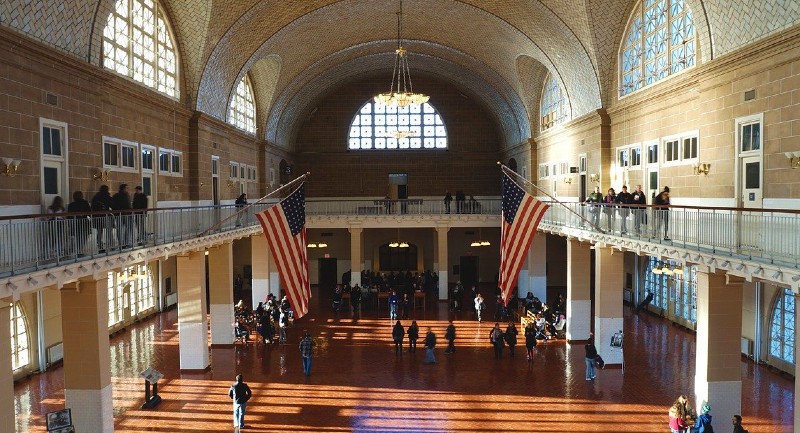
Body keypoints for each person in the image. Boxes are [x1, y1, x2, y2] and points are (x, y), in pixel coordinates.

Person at [67, 191, 92, 257]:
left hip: (75, 223)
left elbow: (69, 216)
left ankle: (78, 250)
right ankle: (79, 250)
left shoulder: (71, 205)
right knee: (83, 237)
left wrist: (69, 224)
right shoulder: (85, 203)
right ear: (81, 196)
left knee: (77, 237)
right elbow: (89, 212)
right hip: (84, 223)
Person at [91, 185, 113, 253]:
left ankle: (100, 246)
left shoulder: (96, 197)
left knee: (99, 232)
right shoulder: (107, 196)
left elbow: (92, 207)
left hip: (97, 216)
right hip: (105, 216)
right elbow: (112, 204)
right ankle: (111, 245)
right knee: (109, 231)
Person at [111, 183, 132, 248]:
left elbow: (113, 205)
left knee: (120, 229)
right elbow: (128, 206)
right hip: (125, 214)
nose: (128, 189)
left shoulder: (116, 195)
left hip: (120, 214)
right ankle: (126, 243)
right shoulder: (126, 196)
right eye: (127, 188)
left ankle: (121, 243)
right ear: (123, 189)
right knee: (127, 229)